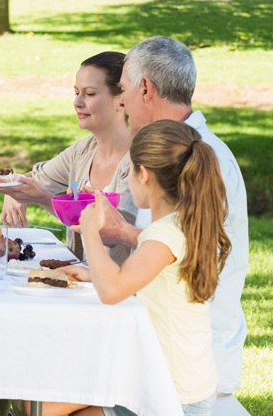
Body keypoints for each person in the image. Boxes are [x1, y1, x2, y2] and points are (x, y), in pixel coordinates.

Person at [71, 36, 249, 397]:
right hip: (155, 339)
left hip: (186, 358)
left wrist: (123, 233)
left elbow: (198, 251)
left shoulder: (200, 158)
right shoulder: (170, 150)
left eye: (124, 90)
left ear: (145, 89)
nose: (121, 102)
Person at [40, 120, 230, 416]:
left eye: (128, 171)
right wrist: (92, 274)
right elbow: (143, 281)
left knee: (39, 407)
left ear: (144, 175)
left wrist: (90, 230)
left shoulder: (164, 235)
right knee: (42, 404)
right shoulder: (182, 225)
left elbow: (112, 291)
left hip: (169, 393)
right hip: (177, 381)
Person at [0, 51, 136, 264]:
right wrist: (14, 188)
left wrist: (44, 199)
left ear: (122, 101)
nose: (77, 102)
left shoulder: (139, 160)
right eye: (76, 92)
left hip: (118, 282)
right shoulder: (83, 151)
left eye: (89, 94)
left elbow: (114, 234)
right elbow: (36, 177)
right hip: (79, 278)